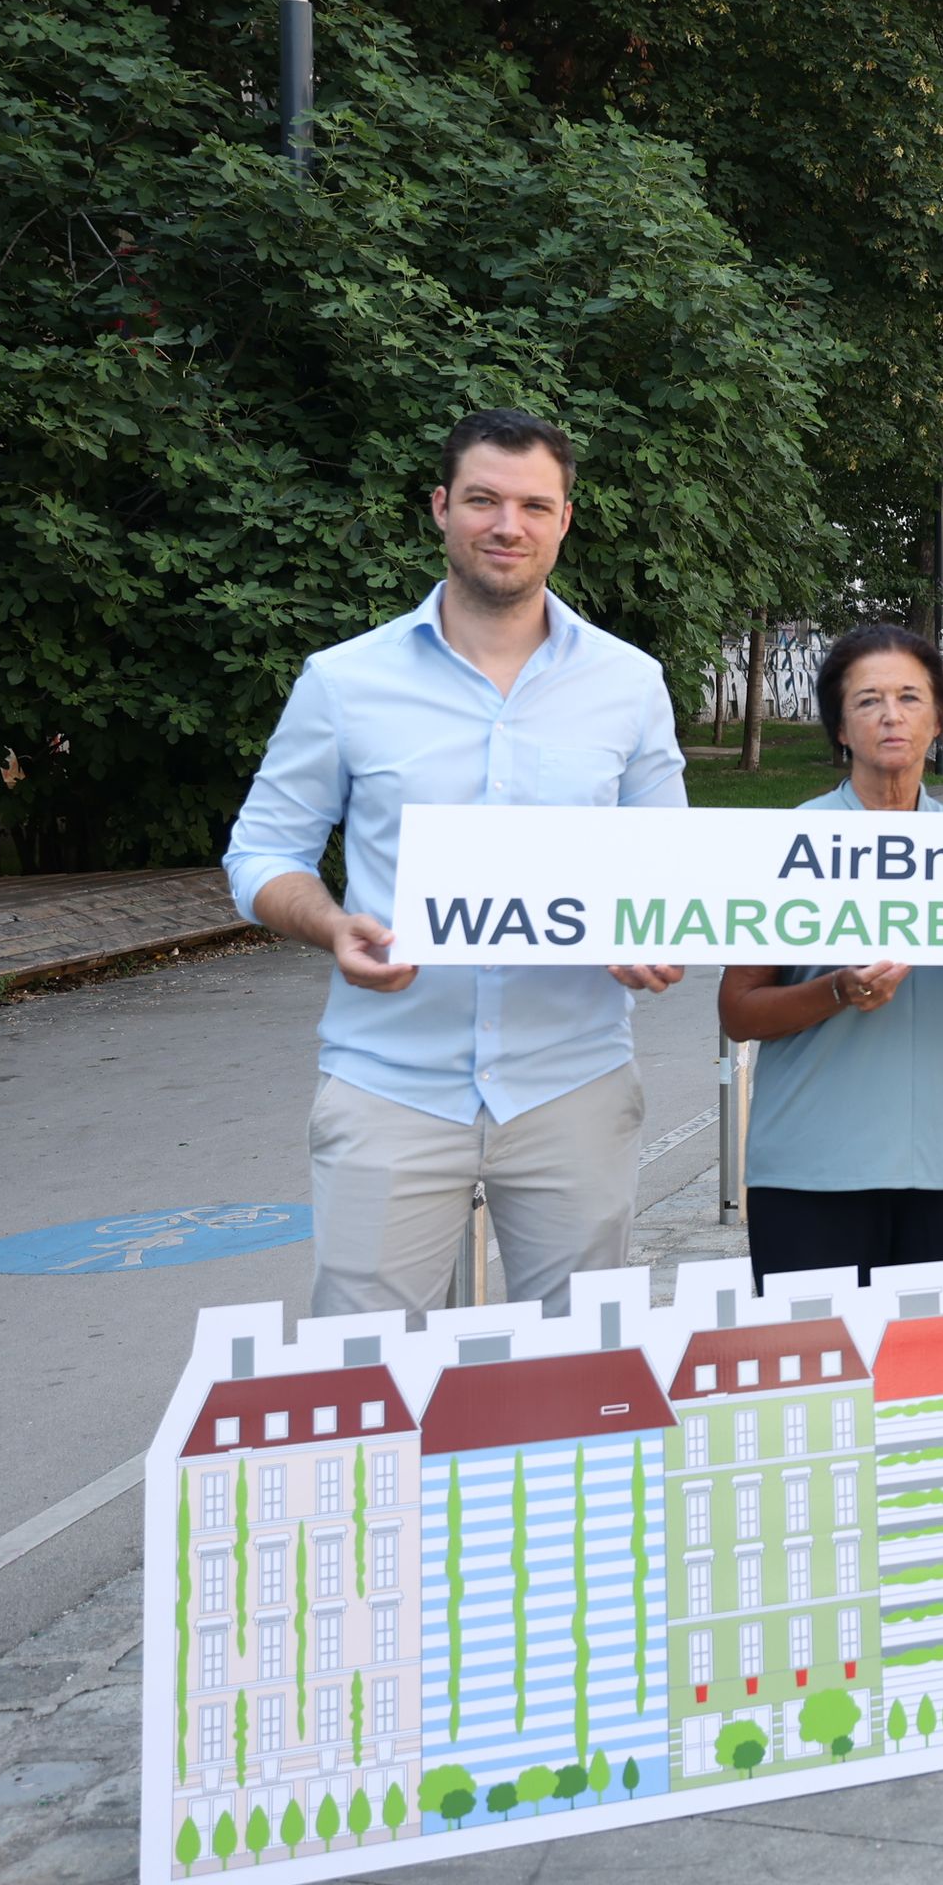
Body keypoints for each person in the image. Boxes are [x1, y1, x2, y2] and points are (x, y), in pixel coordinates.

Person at [226, 409, 688, 1319]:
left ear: (564, 519)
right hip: (390, 1083)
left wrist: (653, 934)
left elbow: (662, 866)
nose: (505, 524)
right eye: (482, 499)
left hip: (574, 1084)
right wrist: (329, 923)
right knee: (360, 1380)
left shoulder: (630, 683)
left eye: (531, 504)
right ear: (441, 508)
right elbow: (262, 852)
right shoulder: (344, 680)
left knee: (584, 1371)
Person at [717, 626, 943, 1285]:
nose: (891, 714)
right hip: (812, 1173)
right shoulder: (790, 841)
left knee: (941, 1384)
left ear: (938, 720)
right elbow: (738, 1010)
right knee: (822, 1383)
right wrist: (835, 992)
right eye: (867, 700)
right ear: (840, 730)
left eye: (910, 697)